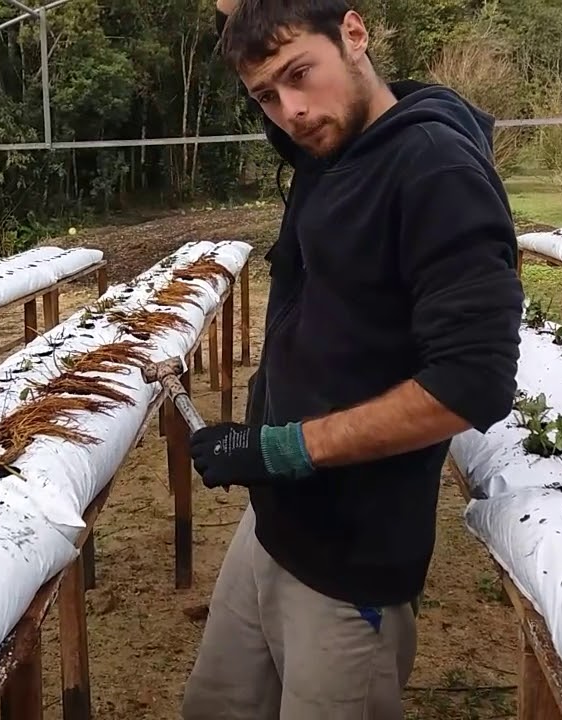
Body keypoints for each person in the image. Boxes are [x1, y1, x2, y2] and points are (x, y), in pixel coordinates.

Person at [181, 1, 525, 719]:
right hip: (275, 527)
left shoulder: (434, 168)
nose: (293, 112)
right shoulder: (328, 150)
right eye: (266, 98)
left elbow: (473, 382)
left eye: (299, 75)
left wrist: (282, 448)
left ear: (355, 33)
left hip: (351, 561)